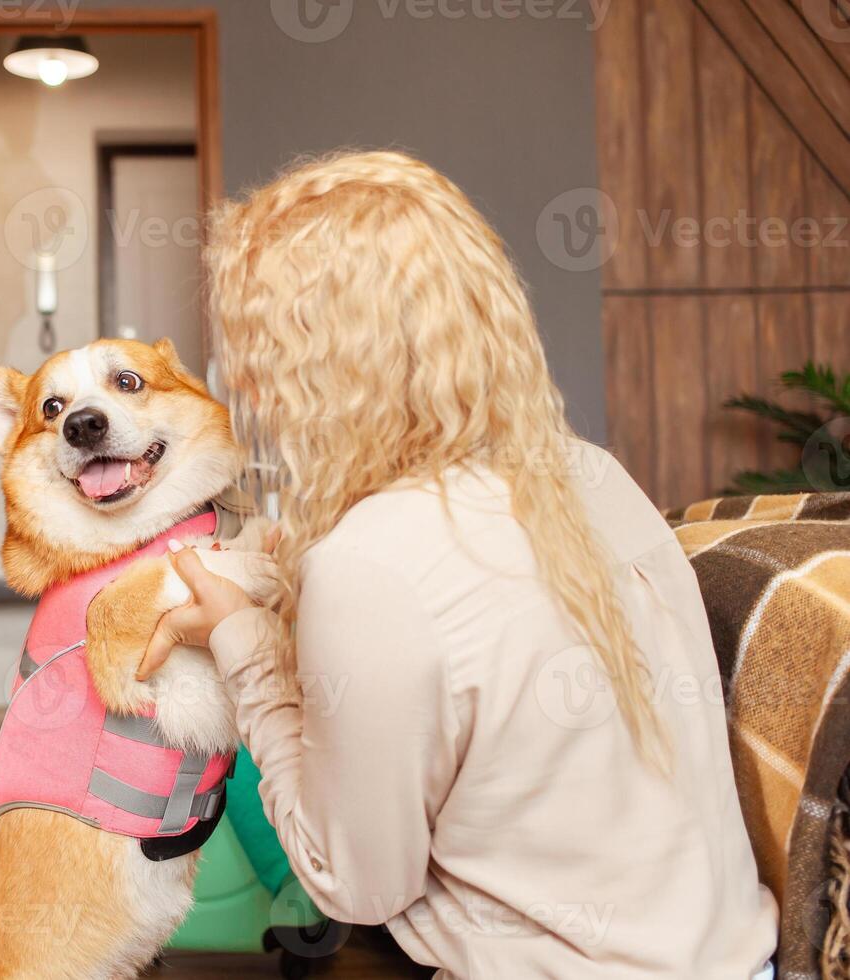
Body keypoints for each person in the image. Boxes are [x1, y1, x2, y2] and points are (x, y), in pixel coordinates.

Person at [138, 151, 778, 978]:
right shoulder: (592, 475)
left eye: (260, 353)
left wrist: (245, 644)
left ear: (315, 372)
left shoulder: (371, 562)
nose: (251, 391)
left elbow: (353, 886)